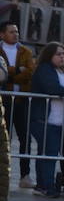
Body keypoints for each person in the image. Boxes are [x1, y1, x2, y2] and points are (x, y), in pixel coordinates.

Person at [28, 42, 64, 198]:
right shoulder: (44, 69)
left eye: (63, 54)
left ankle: (43, 185)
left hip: (59, 120)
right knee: (49, 154)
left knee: (47, 153)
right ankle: (47, 186)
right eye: (58, 54)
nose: (62, 57)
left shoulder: (58, 70)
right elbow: (53, 89)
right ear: (49, 55)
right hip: (47, 120)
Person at [1, 22, 36, 187]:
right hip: (4, 101)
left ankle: (25, 174)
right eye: (11, 32)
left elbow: (30, 72)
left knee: (25, 137)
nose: (15, 34)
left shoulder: (26, 51)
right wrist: (17, 70)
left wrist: (9, 73)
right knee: (3, 138)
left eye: (16, 31)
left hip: (21, 101)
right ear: (2, 34)